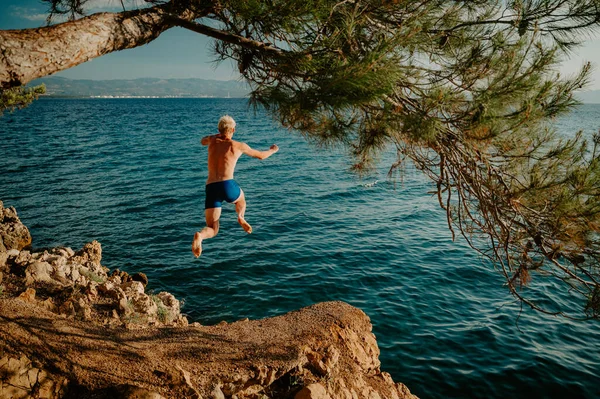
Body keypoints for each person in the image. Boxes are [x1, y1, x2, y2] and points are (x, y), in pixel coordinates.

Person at [192, 115, 279, 257]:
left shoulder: (212, 141)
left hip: (211, 187)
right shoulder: (238, 145)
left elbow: (202, 141)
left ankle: (200, 236)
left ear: (219, 129)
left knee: (213, 228)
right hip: (227, 184)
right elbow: (261, 156)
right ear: (233, 129)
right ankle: (240, 216)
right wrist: (273, 150)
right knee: (241, 199)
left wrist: (214, 136)